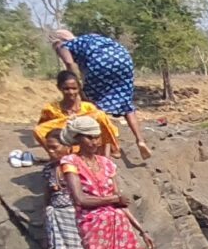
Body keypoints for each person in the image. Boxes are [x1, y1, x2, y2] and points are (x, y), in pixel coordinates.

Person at [46, 114, 146, 249]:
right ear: (77, 138)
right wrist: (113, 199)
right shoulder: (70, 162)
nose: (95, 142)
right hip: (93, 226)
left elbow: (120, 203)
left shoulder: (106, 163)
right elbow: (80, 199)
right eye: (89, 137)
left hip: (119, 226)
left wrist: (142, 230)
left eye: (97, 137)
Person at [51, 29, 154, 160]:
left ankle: (109, 146)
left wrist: (79, 87)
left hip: (100, 64)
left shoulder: (62, 45)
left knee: (95, 105)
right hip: (123, 59)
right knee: (126, 104)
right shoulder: (90, 37)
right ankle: (140, 140)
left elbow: (69, 63)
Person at [33, 69, 122, 158]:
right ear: (59, 88)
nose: (71, 92)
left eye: (74, 88)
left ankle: (103, 156)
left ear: (79, 88)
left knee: (100, 115)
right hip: (66, 142)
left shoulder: (88, 108)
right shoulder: (51, 109)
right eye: (66, 89)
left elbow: (104, 131)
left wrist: (106, 159)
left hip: (88, 144)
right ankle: (57, 157)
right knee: (38, 130)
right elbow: (44, 131)